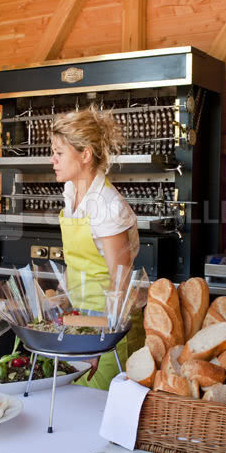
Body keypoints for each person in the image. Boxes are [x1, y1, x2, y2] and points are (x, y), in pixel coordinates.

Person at [50, 106, 144, 389]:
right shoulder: (72, 194)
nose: (52, 160)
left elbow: (120, 281)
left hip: (109, 332)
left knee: (99, 415)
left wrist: (97, 342)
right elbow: (78, 264)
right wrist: (59, 303)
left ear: (85, 155)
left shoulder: (107, 206)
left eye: (59, 153)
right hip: (80, 324)